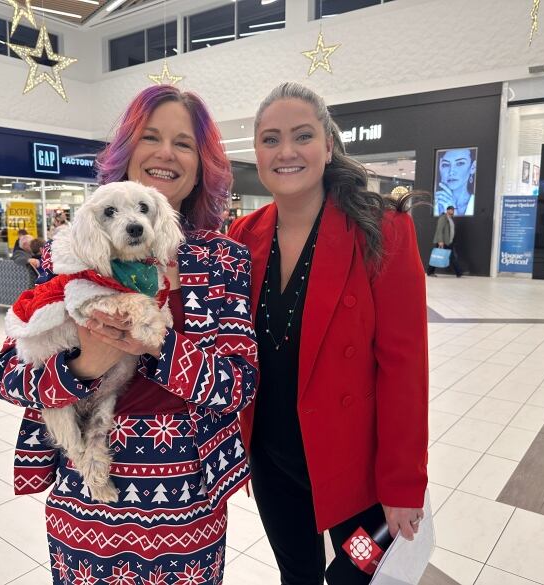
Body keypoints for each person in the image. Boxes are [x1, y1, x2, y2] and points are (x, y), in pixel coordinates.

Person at [0, 85, 257, 584]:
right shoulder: (67, 254)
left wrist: (153, 347)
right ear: (126, 149)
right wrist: (87, 362)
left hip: (185, 496)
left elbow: (239, 384)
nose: (165, 153)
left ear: (202, 164)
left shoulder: (224, 260)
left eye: (184, 143)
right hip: (87, 491)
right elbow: (8, 376)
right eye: (150, 136)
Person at [228, 82, 428, 584]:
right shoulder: (242, 237)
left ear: (329, 145)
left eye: (302, 135)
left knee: (355, 573)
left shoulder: (381, 230)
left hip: (356, 471)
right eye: (271, 139)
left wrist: (404, 484)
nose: (286, 151)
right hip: (274, 464)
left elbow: (406, 366)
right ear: (257, 152)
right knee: (297, 576)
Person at [433, 148, 476, 216]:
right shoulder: (431, 204)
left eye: (460, 163)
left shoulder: (478, 203)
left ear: (473, 167)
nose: (451, 172)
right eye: (446, 165)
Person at [427, 205, 463, 277]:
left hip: (450, 241)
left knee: (452, 257)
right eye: (451, 210)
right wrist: (440, 241)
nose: (453, 211)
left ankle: (459, 273)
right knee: (437, 256)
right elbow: (439, 230)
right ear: (448, 210)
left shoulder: (451, 219)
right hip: (443, 241)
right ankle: (430, 272)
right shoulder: (443, 218)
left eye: (453, 210)